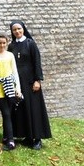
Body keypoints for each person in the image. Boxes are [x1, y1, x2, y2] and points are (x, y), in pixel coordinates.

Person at [8, 20, 52, 149]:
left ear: (23, 29)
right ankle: (27, 136)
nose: (17, 31)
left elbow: (37, 62)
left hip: (31, 82)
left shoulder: (30, 44)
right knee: (22, 108)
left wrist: (37, 80)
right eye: (14, 30)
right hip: (18, 82)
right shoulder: (11, 46)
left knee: (34, 109)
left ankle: (37, 138)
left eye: (19, 29)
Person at [0, 32, 22, 151]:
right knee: (6, 113)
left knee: (9, 113)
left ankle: (6, 136)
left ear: (7, 43)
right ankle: (11, 141)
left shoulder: (10, 55)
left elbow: (15, 72)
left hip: (10, 87)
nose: (2, 45)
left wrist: (18, 88)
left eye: (4, 43)